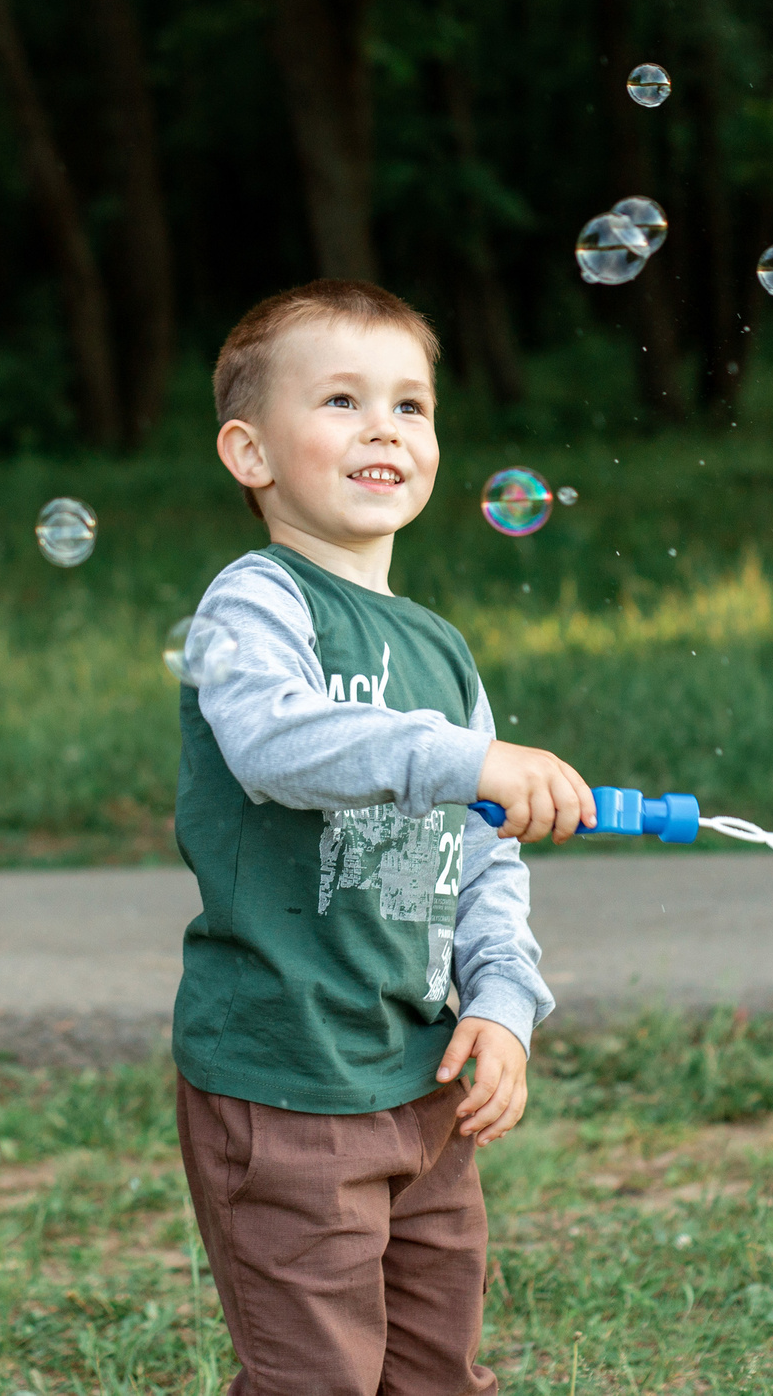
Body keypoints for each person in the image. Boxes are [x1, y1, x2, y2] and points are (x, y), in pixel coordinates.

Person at [172, 278, 597, 1393]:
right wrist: (462, 761)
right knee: (315, 1374)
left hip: (421, 1083)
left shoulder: (443, 654)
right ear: (249, 453)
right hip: (286, 1080)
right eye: (343, 401)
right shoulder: (257, 605)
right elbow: (278, 745)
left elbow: (486, 858)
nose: (383, 429)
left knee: (431, 1369)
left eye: (410, 406)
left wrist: (504, 998)